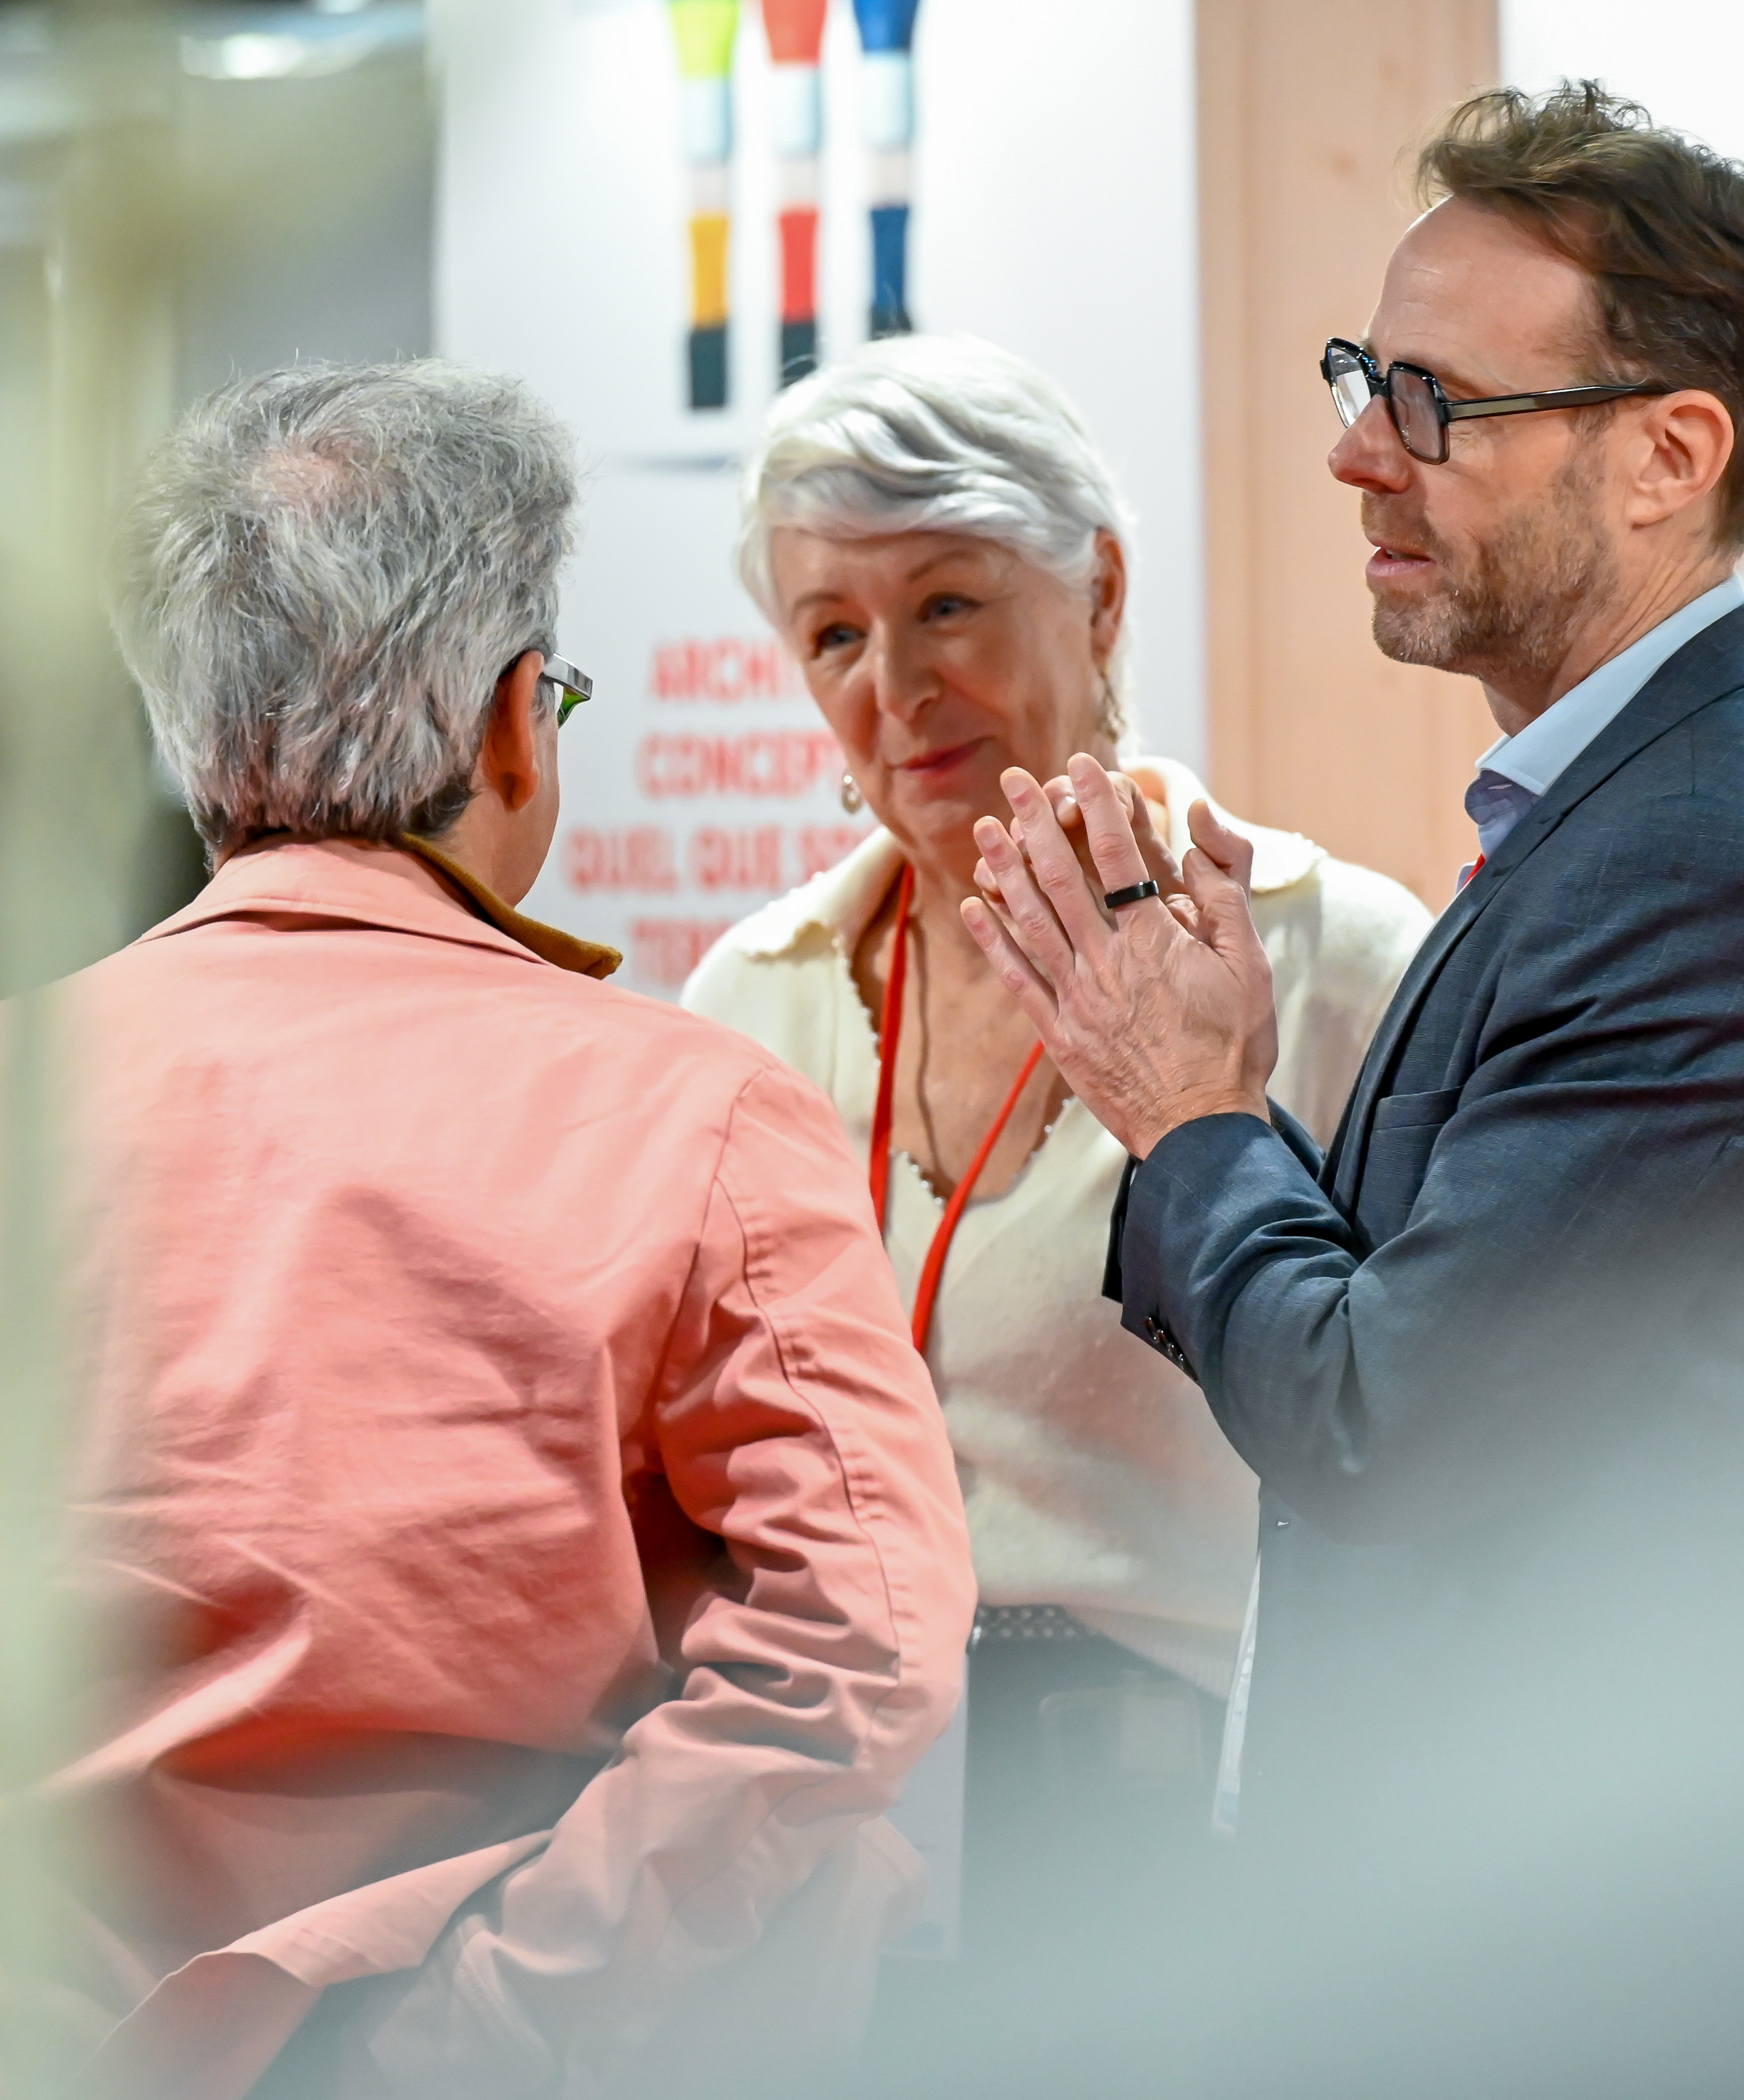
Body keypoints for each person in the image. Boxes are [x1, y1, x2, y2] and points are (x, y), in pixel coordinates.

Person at [0, 361, 976, 2099]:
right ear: (514, 723)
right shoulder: (706, 1123)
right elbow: (862, 1640)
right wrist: (483, 2027)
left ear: (195, 743)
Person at [960, 83, 1744, 2089]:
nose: (1356, 452)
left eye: (1435, 405)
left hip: (1583, 1979)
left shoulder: (1710, 857)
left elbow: (1382, 1419)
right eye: (1363, 377)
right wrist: (1217, 1081)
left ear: (1670, 454)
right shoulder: (1630, 813)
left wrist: (1193, 1110)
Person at [681, 334, 1427, 2011]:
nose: (894, 685)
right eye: (833, 634)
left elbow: (1434, 1432)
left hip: (1189, 1857)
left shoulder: (1334, 961)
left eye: (947, 604)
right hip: (823, 1866)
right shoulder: (750, 1000)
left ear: (1099, 591)